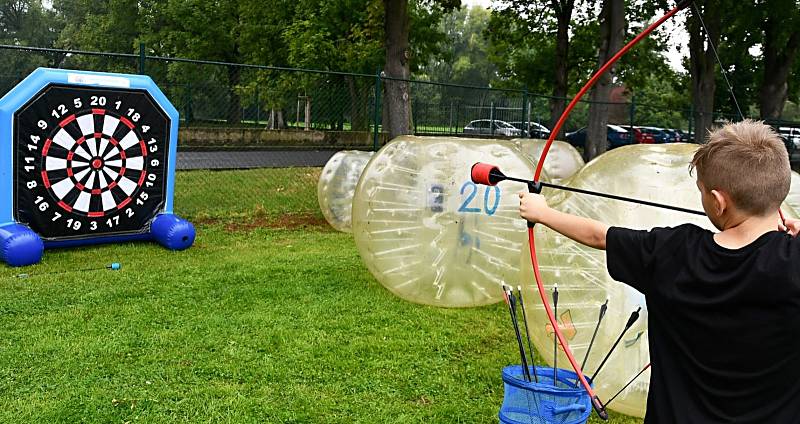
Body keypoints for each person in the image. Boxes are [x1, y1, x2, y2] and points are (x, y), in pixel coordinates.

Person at [518, 120, 800, 423]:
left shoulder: (672, 251)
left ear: (718, 202)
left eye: (703, 193)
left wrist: (543, 213)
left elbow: (599, 236)